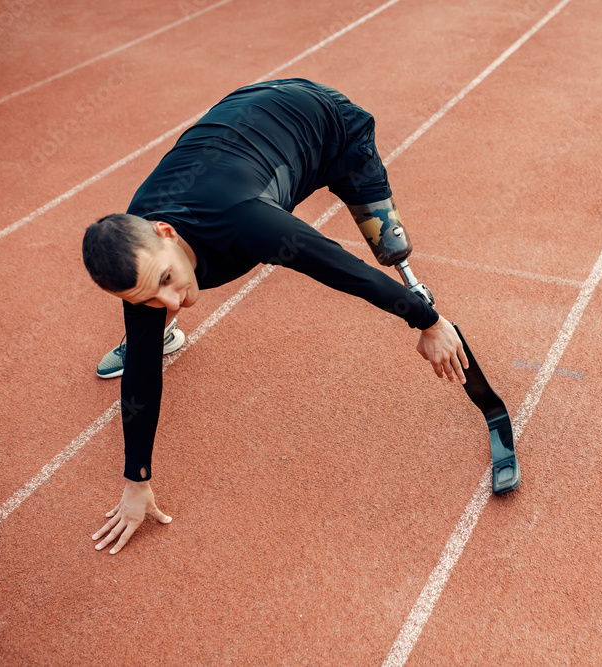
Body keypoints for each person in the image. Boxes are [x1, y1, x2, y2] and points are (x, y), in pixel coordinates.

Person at [81, 79, 468, 555]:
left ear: (165, 231)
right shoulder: (138, 258)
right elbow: (140, 377)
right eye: (151, 300)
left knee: (390, 247)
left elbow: (341, 269)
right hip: (241, 128)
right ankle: (163, 334)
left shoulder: (248, 223)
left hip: (329, 124)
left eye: (165, 283)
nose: (171, 303)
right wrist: (136, 479)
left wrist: (428, 322)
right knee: (146, 334)